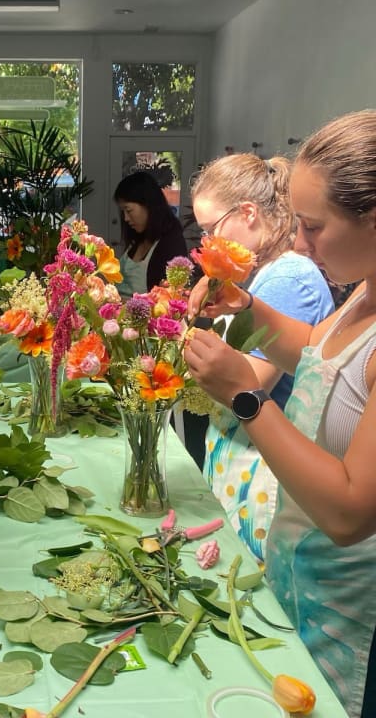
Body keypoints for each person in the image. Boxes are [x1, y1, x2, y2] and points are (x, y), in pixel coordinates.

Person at [184, 109, 376, 718]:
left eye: (313, 227)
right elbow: (317, 351)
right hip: (305, 572)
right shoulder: (364, 290)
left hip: (352, 604)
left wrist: (247, 397)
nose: (298, 243)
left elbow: (349, 512)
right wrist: (247, 308)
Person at [190, 153, 333, 563]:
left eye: (212, 229)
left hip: (265, 467)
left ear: (248, 213)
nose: (208, 243)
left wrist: (179, 349)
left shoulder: (289, 276)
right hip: (244, 457)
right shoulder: (261, 275)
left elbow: (248, 381)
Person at [113, 170, 189, 296]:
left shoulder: (171, 243)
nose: (125, 218)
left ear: (148, 204)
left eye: (129, 210)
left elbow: (170, 295)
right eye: (123, 212)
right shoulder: (138, 238)